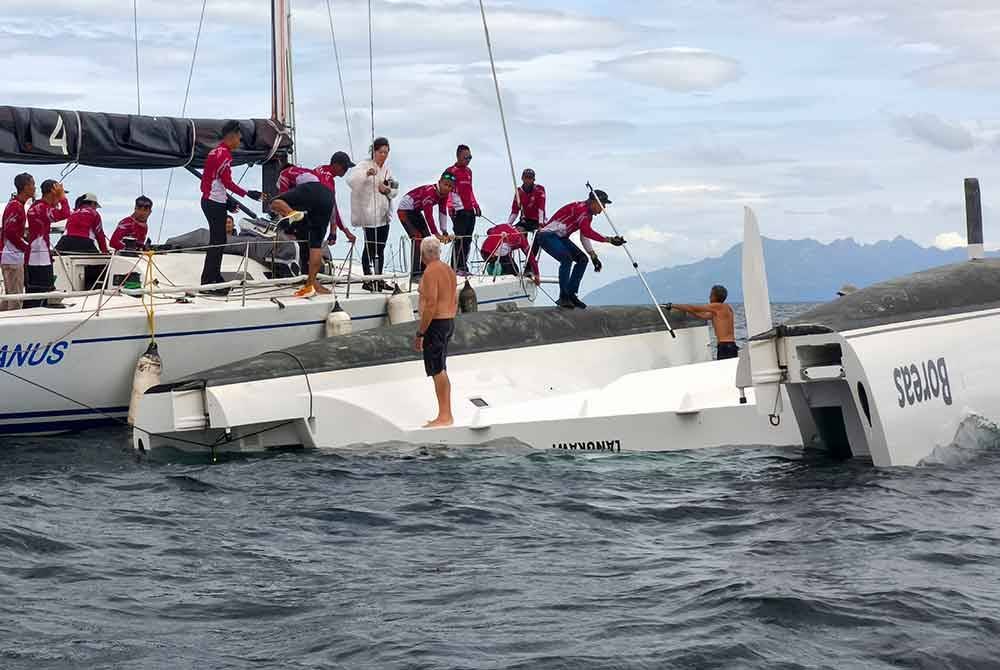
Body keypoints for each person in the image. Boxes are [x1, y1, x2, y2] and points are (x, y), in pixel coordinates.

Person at [533, 189, 625, 309]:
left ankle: (571, 294)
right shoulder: (582, 210)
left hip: (560, 238)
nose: (603, 209)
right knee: (566, 259)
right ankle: (564, 296)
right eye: (602, 205)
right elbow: (587, 232)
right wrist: (610, 240)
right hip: (547, 236)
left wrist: (593, 256)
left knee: (582, 259)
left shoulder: (587, 215)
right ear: (594, 202)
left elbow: (584, 236)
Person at [200, 120, 263, 287]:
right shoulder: (224, 155)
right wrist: (248, 193)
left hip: (212, 201)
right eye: (239, 139)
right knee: (218, 240)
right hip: (214, 202)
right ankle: (209, 280)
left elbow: (212, 182)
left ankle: (213, 277)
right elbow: (227, 182)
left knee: (218, 239)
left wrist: (227, 202)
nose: (239, 142)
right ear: (233, 136)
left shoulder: (215, 152)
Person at [415, 236, 457, 428]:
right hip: (448, 321)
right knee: (441, 368)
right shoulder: (448, 270)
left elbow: (431, 304)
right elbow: (453, 299)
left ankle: (445, 416)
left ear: (423, 254)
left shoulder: (431, 271)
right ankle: (445, 413)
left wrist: (421, 333)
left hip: (436, 324)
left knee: (437, 370)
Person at [268, 180, 334, 298]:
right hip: (328, 198)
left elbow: (277, 203)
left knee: (273, 202)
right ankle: (310, 285)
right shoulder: (317, 183)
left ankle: (292, 213)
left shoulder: (286, 174)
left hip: (311, 192)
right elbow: (334, 213)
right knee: (316, 245)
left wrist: (286, 213)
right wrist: (333, 231)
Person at [347, 137, 398, 289]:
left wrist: (387, 190)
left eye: (386, 152)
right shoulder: (363, 165)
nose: (383, 155)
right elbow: (351, 181)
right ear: (374, 151)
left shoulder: (388, 170)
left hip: (383, 216)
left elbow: (395, 189)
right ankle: (368, 279)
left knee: (381, 247)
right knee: (370, 247)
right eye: (381, 152)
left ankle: (379, 278)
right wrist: (366, 175)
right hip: (368, 215)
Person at [397, 172, 458, 278]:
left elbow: (442, 212)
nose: (447, 188)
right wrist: (437, 234)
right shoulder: (430, 192)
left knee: (427, 240)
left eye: (450, 186)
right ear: (439, 182)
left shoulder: (444, 195)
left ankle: (425, 271)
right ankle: (415, 274)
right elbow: (428, 215)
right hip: (404, 210)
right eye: (445, 184)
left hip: (415, 211)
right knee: (417, 239)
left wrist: (444, 231)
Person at [25, 179, 71, 307]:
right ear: (52, 192)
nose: (59, 200)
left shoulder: (38, 206)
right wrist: (64, 199)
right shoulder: (41, 208)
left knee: (38, 293)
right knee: (40, 294)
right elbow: (66, 213)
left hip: (38, 255)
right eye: (59, 194)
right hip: (39, 258)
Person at [667, 285, 738, 360]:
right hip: (730, 346)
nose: (709, 297)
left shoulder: (718, 306)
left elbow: (695, 308)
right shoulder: (725, 308)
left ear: (714, 296)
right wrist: (687, 310)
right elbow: (703, 315)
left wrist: (672, 305)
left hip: (725, 347)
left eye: (711, 295)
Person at [1, 172, 34, 311]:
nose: (34, 188)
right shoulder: (16, 206)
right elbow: (10, 232)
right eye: (33, 184)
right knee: (15, 299)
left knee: (9, 298)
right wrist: (26, 247)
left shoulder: (15, 205)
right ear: (25, 187)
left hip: (10, 257)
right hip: (12, 258)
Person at [448, 144, 480, 276]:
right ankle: (455, 267)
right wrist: (450, 207)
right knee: (459, 239)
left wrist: (476, 205)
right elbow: (448, 190)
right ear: (458, 156)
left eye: (470, 157)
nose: (468, 160)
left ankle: (463, 266)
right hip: (458, 210)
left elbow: (470, 191)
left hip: (469, 210)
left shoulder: (469, 172)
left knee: (467, 239)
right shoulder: (451, 171)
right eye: (466, 157)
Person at [507, 168, 546, 232]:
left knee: (539, 235)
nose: (527, 180)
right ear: (522, 178)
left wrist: (541, 224)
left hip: (537, 221)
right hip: (525, 220)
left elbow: (541, 208)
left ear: (533, 179)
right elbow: (515, 211)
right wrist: (508, 225)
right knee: (517, 231)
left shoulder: (539, 190)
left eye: (530, 178)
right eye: (526, 178)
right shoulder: (519, 192)